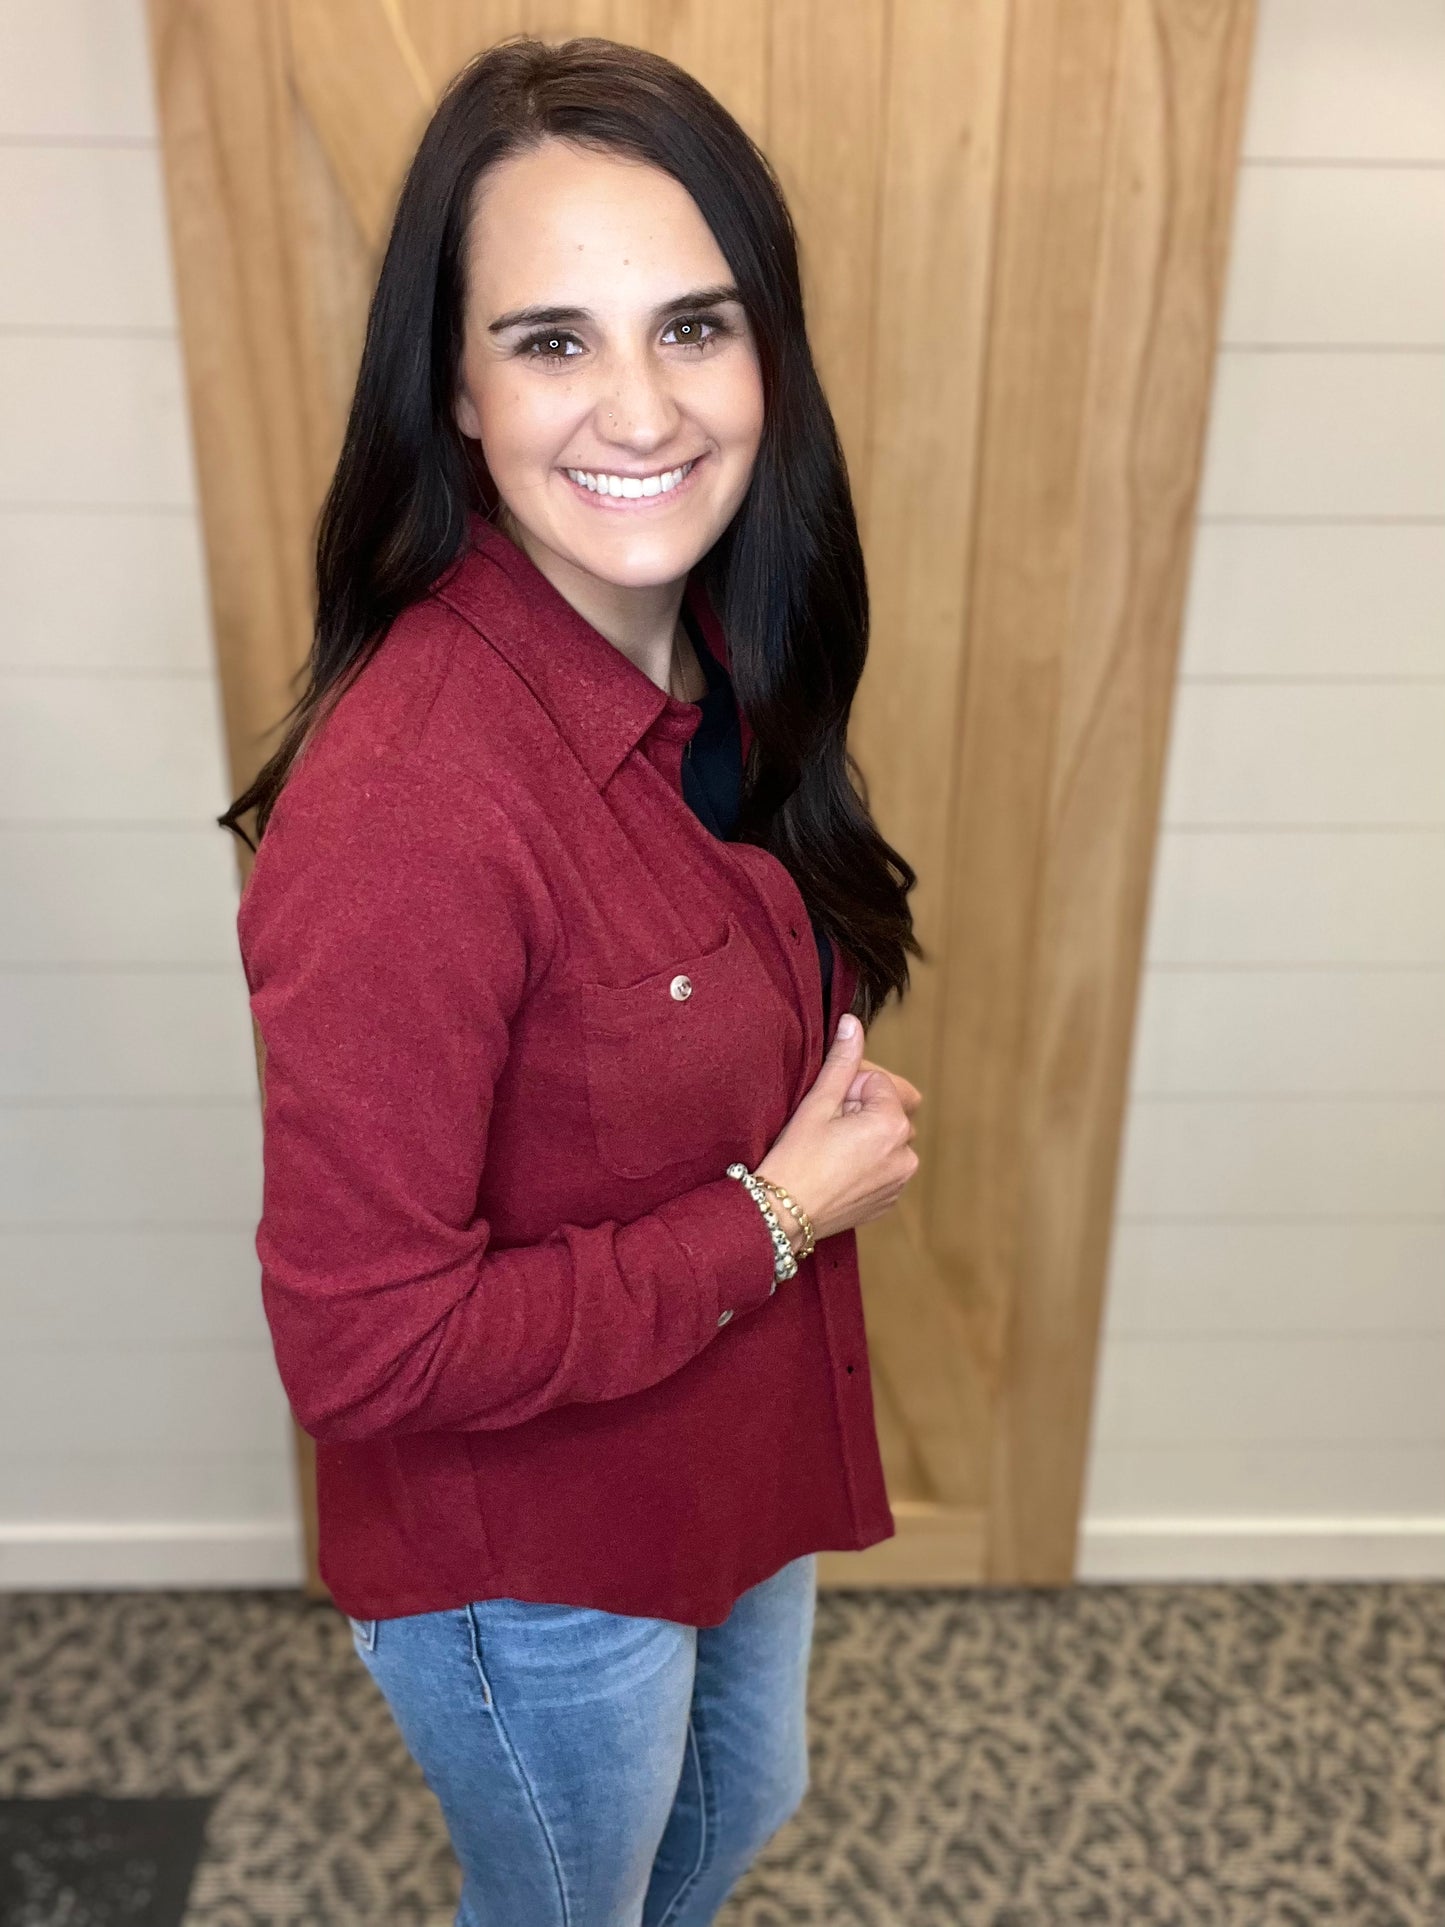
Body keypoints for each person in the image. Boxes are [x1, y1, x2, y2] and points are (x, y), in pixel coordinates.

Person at [222, 33, 923, 1927]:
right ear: (451, 389)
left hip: (722, 1440)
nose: (640, 407)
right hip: (531, 1560)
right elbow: (361, 1348)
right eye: (550, 340)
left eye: (693, 327)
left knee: (737, 1811)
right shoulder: (410, 807)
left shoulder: (716, 642)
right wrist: (777, 1216)